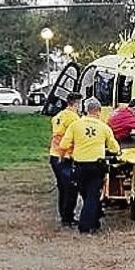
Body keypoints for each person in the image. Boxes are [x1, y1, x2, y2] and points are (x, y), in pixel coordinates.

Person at [61, 98, 119, 234]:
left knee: (86, 194)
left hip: (79, 166)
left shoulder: (75, 125)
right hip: (96, 166)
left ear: (86, 111)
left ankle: (94, 220)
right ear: (99, 111)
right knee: (93, 196)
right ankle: (86, 225)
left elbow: (64, 145)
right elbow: (114, 147)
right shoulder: (104, 127)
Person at [49, 93, 83, 227]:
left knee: (62, 187)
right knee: (71, 187)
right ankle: (68, 217)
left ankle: (64, 215)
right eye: (80, 104)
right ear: (76, 103)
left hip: (54, 154)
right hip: (65, 156)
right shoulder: (73, 118)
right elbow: (76, 137)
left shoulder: (58, 116)